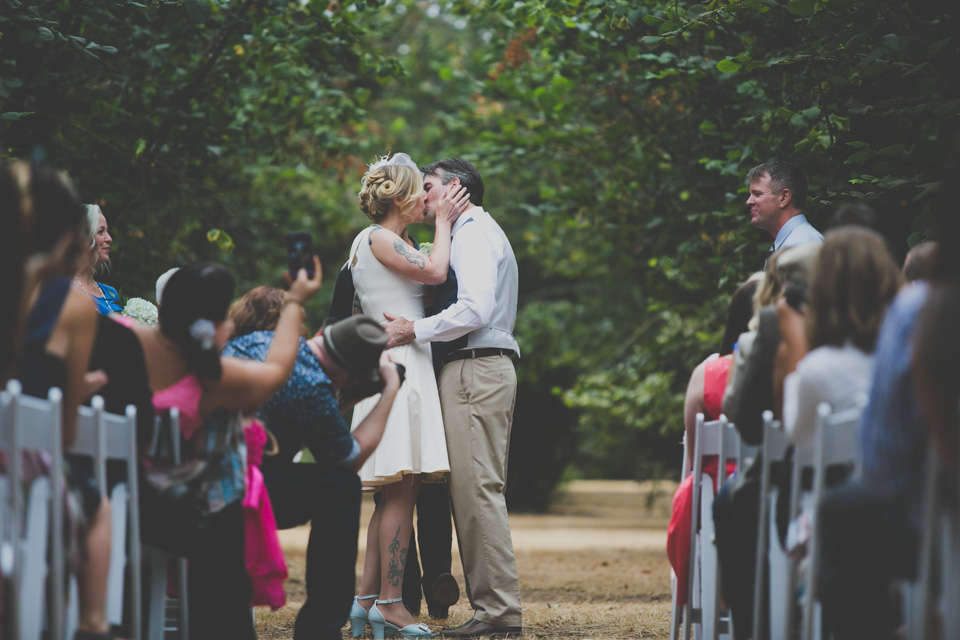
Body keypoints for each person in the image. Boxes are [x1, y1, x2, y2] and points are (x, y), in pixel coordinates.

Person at [132, 259, 321, 639]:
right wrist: (296, 301)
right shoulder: (211, 378)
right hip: (192, 523)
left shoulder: (127, 343)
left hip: (128, 503)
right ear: (216, 324)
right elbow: (276, 372)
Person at [384, 158, 522, 639]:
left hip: (475, 368)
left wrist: (412, 330)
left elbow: (476, 307)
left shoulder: (474, 233)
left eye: (428, 187)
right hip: (476, 367)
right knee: (474, 489)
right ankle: (495, 607)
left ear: (455, 188)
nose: (422, 198)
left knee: (476, 489)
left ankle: (499, 612)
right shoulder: (468, 231)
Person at [223, 288, 401, 640]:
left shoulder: (266, 339)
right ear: (350, 377)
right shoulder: (311, 384)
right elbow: (346, 457)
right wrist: (390, 389)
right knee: (341, 489)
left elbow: (301, 427)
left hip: (204, 471)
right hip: (234, 489)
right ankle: (319, 629)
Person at [347, 153, 471, 640]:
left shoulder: (381, 242)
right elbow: (438, 272)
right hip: (400, 370)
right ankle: (393, 605)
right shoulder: (380, 238)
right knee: (403, 489)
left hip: (395, 367)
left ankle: (366, 601)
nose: (428, 196)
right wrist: (444, 222)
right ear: (399, 197)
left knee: (389, 496)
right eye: (420, 191)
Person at [7, 159, 115, 640]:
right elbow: (65, 433)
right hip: (21, 477)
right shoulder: (69, 303)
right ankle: (92, 623)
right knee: (101, 506)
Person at [666, 275, 759, 607]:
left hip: (713, 490)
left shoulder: (707, 373)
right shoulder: (791, 370)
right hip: (775, 488)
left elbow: (692, 457)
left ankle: (714, 601)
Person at [745, 161, 822, 263]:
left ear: (784, 198)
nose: (748, 202)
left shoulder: (800, 246)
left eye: (757, 194)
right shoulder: (791, 243)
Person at [74, 204, 122, 315]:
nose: (109, 238)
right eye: (101, 232)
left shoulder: (111, 293)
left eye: (107, 231)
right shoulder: (68, 290)